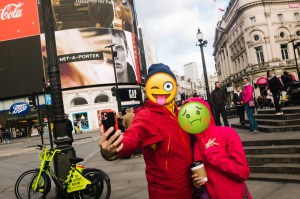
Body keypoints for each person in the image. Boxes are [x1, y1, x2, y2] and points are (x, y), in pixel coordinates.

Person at [99, 63, 194, 198]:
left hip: (191, 187)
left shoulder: (182, 114)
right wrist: (111, 149)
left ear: (176, 88)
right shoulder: (146, 115)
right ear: (147, 90)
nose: (161, 90)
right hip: (166, 192)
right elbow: (132, 136)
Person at [183, 97, 252, 199]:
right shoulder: (192, 144)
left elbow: (243, 172)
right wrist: (197, 186)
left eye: (196, 112)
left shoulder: (227, 133)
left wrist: (212, 155)